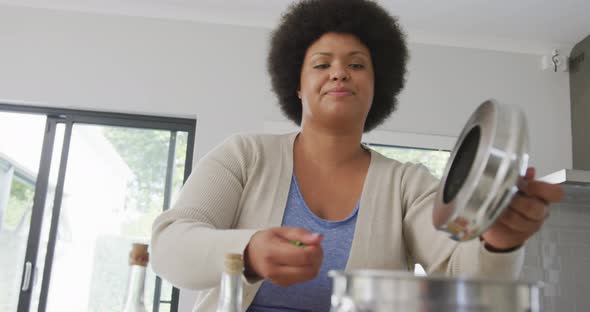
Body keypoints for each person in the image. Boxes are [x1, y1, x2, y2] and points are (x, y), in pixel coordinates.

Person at [151, 0, 564, 311]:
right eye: (321, 64)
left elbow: (465, 280)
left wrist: (500, 243)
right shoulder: (244, 155)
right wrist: (250, 252)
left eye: (357, 64)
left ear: (376, 86)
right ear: (296, 85)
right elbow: (169, 246)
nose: (339, 72)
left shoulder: (408, 184)